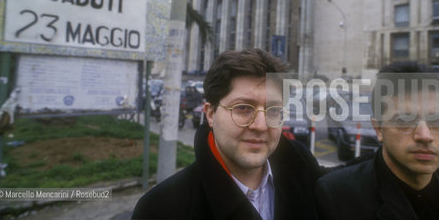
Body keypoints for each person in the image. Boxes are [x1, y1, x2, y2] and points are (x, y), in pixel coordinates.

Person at [132, 48, 329, 219]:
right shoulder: (162, 209)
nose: (261, 126)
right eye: (243, 108)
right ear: (210, 114)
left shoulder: (302, 170)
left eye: (273, 110)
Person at [315, 61, 439, 220]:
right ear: (379, 129)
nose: (425, 135)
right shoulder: (338, 197)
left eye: (436, 121)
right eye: (404, 121)